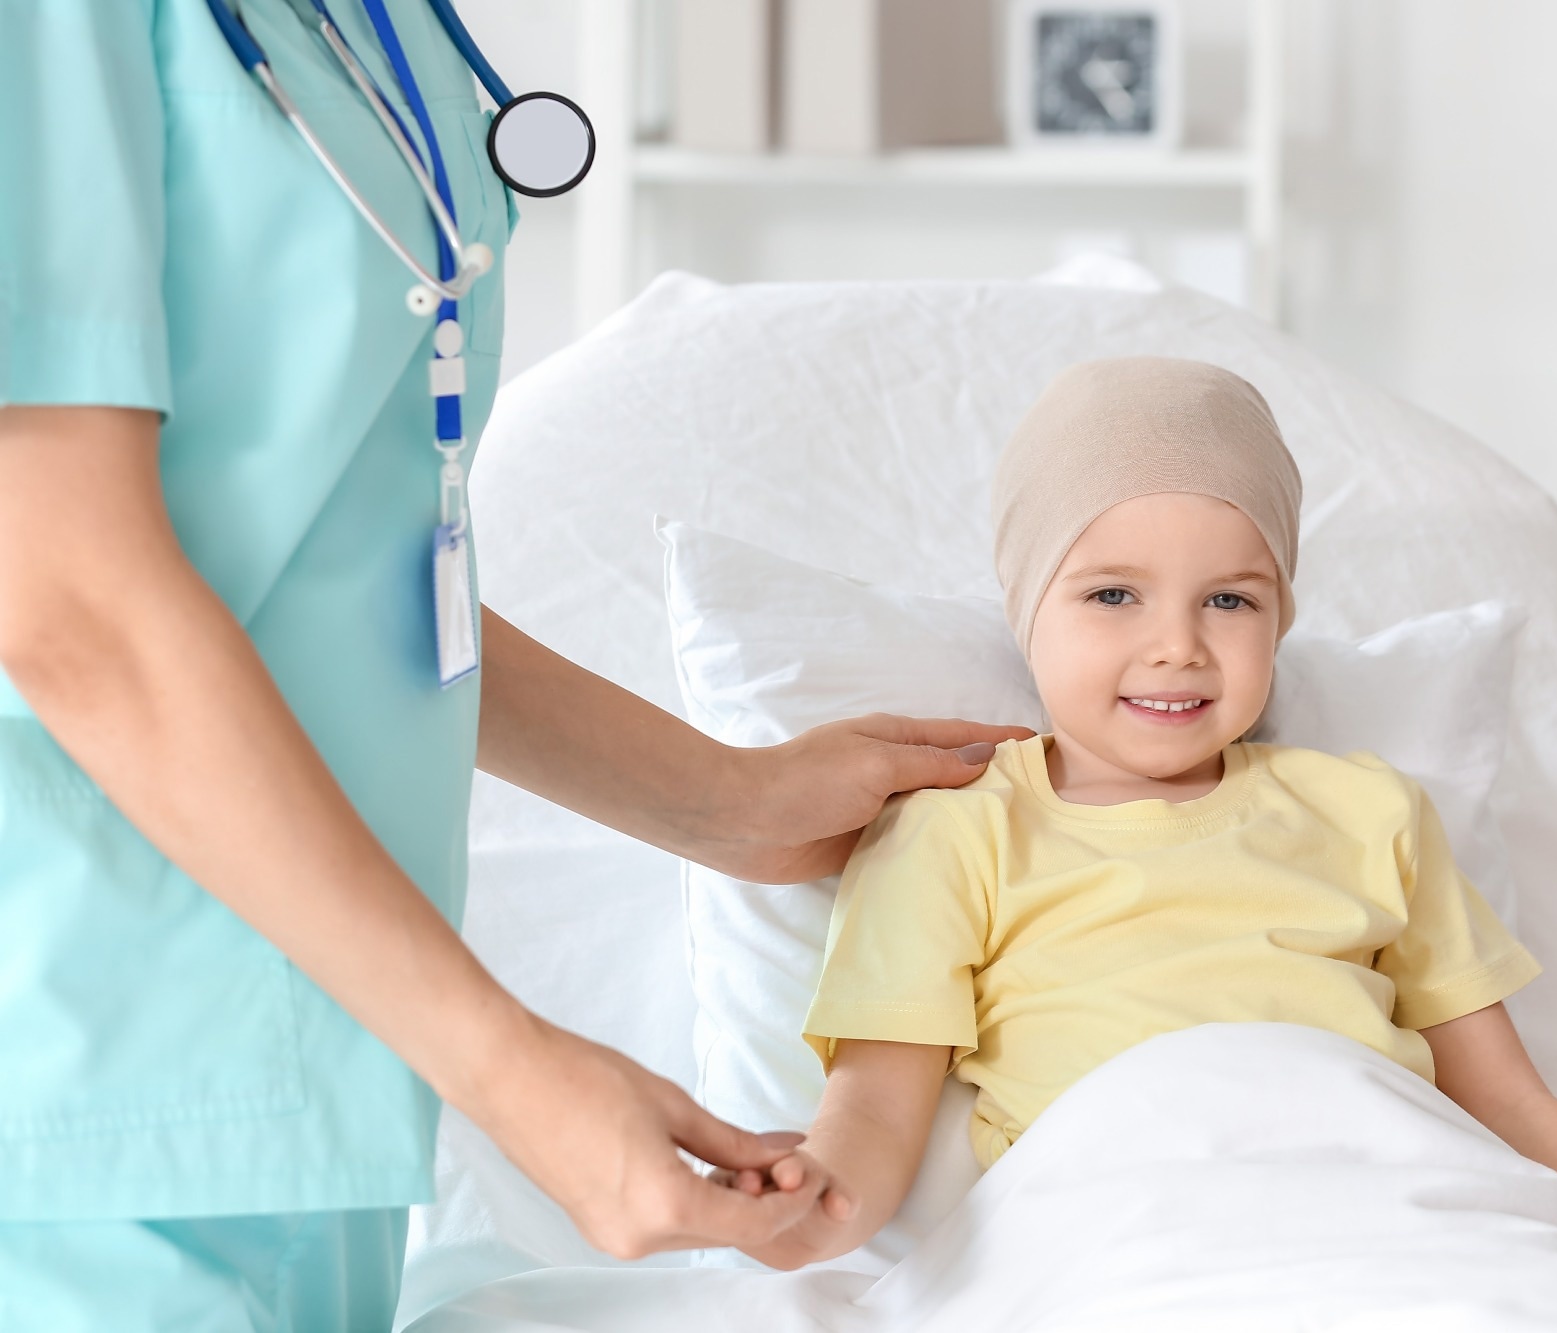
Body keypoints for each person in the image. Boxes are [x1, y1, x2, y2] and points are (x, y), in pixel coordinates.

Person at [0, 2, 1027, 1327]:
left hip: (324, 1081)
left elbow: (341, 556)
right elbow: (67, 598)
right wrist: (515, 1070)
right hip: (82, 1054)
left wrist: (728, 802)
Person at [721, 357, 1557, 1271]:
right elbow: (876, 1106)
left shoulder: (1366, 812)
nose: (1176, 646)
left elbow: (1507, 1099)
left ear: (1280, 614)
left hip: (1385, 1211)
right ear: (1026, 612)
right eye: (1113, 595)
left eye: (1229, 601)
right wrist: (809, 1207)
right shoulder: (953, 830)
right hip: (1126, 1224)